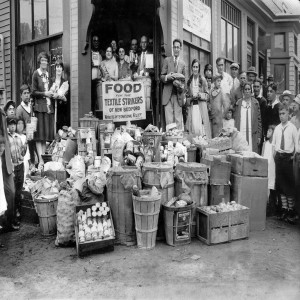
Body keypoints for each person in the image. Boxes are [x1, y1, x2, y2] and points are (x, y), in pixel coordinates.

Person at [272, 104, 298, 224]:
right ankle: (284, 208)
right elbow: (274, 143)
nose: (281, 116)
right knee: (281, 185)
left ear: (288, 114)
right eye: (280, 114)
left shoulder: (292, 128)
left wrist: (294, 155)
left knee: (289, 184)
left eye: (284, 114)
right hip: (279, 157)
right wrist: (275, 155)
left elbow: (296, 144)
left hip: (288, 158)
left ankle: (291, 210)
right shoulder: (277, 128)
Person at [31, 51, 54, 168]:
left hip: (48, 108)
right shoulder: (36, 74)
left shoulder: (49, 75)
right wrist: (45, 93)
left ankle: (43, 160)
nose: (44, 62)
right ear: (39, 62)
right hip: (39, 108)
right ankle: (40, 160)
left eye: (46, 60)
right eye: (42, 60)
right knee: (39, 136)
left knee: (45, 136)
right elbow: (33, 92)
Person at [161, 38, 186, 130]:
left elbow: (184, 82)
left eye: (178, 47)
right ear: (172, 48)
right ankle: (170, 143)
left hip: (178, 95)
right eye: (174, 47)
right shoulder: (167, 60)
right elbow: (161, 76)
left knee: (178, 121)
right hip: (167, 95)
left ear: (180, 49)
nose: (176, 49)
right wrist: (168, 77)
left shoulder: (183, 64)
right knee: (169, 122)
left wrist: (179, 85)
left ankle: (178, 143)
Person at [7, 116, 27, 226]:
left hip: (20, 166)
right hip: (13, 167)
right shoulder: (7, 139)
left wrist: (26, 145)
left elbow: (23, 154)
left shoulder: (18, 138)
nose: (13, 126)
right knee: (13, 193)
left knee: (19, 192)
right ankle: (13, 217)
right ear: (7, 126)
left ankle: (18, 215)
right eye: (11, 124)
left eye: (14, 124)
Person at [185, 59, 211, 138]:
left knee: (202, 130)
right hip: (193, 108)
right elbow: (186, 97)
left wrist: (200, 95)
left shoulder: (203, 80)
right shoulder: (189, 81)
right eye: (194, 67)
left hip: (201, 107)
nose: (195, 69)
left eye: (197, 67)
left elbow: (207, 95)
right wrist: (191, 98)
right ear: (191, 68)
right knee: (194, 129)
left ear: (199, 68)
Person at [234, 82, 262, 153]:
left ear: (251, 91)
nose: (247, 91)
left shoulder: (255, 103)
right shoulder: (238, 103)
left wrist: (259, 135)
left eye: (249, 89)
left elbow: (259, 120)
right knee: (241, 151)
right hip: (241, 131)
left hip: (252, 133)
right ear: (243, 91)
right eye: (245, 89)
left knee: (252, 153)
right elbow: (235, 120)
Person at [262, 125, 277, 216]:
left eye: (270, 131)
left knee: (272, 186)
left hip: (272, 167)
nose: (268, 132)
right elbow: (263, 155)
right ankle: (265, 207)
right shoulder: (265, 143)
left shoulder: (274, 145)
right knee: (265, 187)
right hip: (265, 166)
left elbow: (274, 157)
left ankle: (273, 207)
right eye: (268, 130)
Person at [49, 60, 69, 129]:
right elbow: (48, 93)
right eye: (57, 66)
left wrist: (60, 97)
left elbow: (66, 99)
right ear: (55, 68)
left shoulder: (65, 82)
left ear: (62, 69)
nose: (59, 68)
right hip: (52, 109)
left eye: (60, 67)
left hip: (61, 110)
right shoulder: (51, 80)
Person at [253, 79, 267, 154]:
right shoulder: (251, 98)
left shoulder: (263, 101)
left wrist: (260, 135)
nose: (256, 89)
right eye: (254, 86)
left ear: (260, 87)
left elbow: (263, 119)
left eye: (257, 87)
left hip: (259, 130)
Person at [91, 35, 102, 111]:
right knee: (92, 99)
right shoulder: (90, 53)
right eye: (94, 41)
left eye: (97, 41)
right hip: (91, 80)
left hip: (99, 79)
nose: (96, 43)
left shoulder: (100, 53)